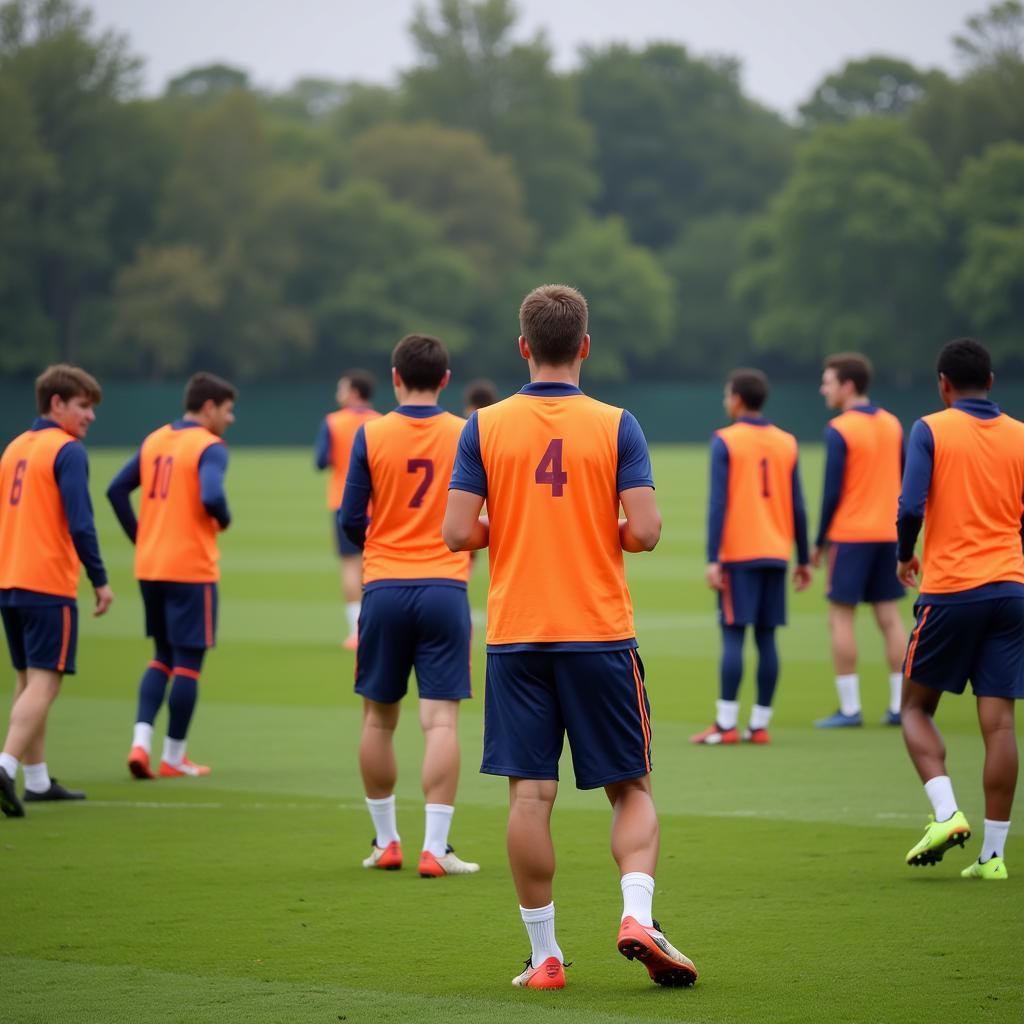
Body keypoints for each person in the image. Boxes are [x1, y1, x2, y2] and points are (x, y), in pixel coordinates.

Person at [443, 284, 697, 991]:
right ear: (585, 345)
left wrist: (518, 526)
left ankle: (545, 955)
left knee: (529, 797)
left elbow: (458, 533)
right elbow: (644, 531)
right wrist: (594, 528)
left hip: (518, 635)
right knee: (631, 788)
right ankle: (637, 915)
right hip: (598, 633)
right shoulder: (618, 423)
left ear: (523, 346)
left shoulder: (483, 425)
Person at [340, 335, 479, 880]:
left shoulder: (370, 433)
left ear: (395, 376)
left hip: (384, 587)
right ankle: (435, 847)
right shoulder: (466, 432)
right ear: (446, 380)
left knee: (378, 718)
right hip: (445, 587)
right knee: (440, 720)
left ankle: (387, 841)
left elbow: (351, 519)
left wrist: (382, 544)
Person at [897, 338, 1024, 881]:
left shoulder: (932, 428)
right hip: (1011, 589)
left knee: (914, 708)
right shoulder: (1020, 434)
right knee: (999, 725)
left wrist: (906, 555)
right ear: (991, 382)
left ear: (943, 384)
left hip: (952, 589)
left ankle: (947, 813)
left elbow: (909, 505)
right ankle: (993, 857)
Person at [107, 372, 236, 780]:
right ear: (210, 407)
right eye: (228, 411)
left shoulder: (155, 439)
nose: (231, 420)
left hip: (151, 566)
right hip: (190, 568)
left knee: (161, 656)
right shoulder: (210, 446)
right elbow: (212, 495)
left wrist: (140, 538)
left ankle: (140, 744)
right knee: (188, 664)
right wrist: (225, 519)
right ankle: (174, 756)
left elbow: (115, 490)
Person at [0, 365, 113, 818]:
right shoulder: (66, 451)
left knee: (27, 679)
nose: (90, 417)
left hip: (9, 578)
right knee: (46, 682)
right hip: (46, 580)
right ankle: (6, 765)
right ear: (57, 404)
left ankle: (38, 780)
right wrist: (99, 578)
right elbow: (80, 521)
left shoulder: (14, 448)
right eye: (83, 407)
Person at [693, 369, 811, 746]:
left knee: (732, 634)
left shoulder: (725, 441)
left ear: (739, 399)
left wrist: (713, 557)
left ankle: (726, 724)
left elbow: (718, 503)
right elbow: (798, 505)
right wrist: (804, 558)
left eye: (728, 395)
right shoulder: (787, 442)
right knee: (766, 637)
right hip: (776, 553)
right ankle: (759, 724)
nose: (725, 401)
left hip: (739, 553)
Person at [812, 353, 907, 728]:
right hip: (889, 533)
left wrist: (819, 542)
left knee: (840, 619)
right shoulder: (893, 424)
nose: (824, 388)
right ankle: (901, 706)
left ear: (847, 386)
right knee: (889, 618)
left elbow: (831, 493)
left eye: (828, 381)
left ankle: (850, 709)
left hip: (851, 535)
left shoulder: (840, 429)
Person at [315, 371, 380, 650]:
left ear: (354, 391)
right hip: (378, 504)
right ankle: (378, 624)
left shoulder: (332, 421)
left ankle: (356, 630)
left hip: (343, 501)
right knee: (376, 565)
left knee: (350, 566)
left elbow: (320, 461)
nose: (338, 393)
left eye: (342, 388)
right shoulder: (381, 422)